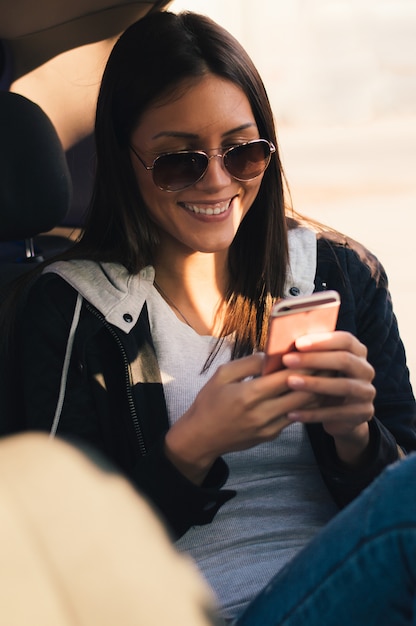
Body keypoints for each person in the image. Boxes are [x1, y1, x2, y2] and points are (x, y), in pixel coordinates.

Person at [3, 9, 416, 625]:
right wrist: (192, 447)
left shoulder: (340, 272)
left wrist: (356, 437)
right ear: (126, 161)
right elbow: (64, 557)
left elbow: (395, 469)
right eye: (179, 160)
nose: (218, 181)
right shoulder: (70, 309)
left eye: (243, 151)